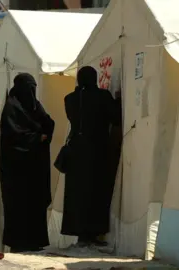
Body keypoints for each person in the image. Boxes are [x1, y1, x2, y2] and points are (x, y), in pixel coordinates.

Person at [61, 66, 122, 246]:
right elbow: (116, 117)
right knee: (96, 191)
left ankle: (80, 233)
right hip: (98, 150)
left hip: (75, 151)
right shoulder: (102, 97)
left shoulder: (70, 99)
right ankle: (93, 233)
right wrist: (117, 101)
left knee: (77, 193)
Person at [0, 73, 55, 253]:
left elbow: (48, 123)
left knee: (35, 203)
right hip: (15, 169)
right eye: (29, 89)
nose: (32, 93)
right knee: (18, 205)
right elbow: (14, 136)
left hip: (35, 167)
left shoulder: (35, 106)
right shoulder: (11, 108)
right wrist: (37, 137)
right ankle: (18, 243)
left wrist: (43, 134)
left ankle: (34, 240)